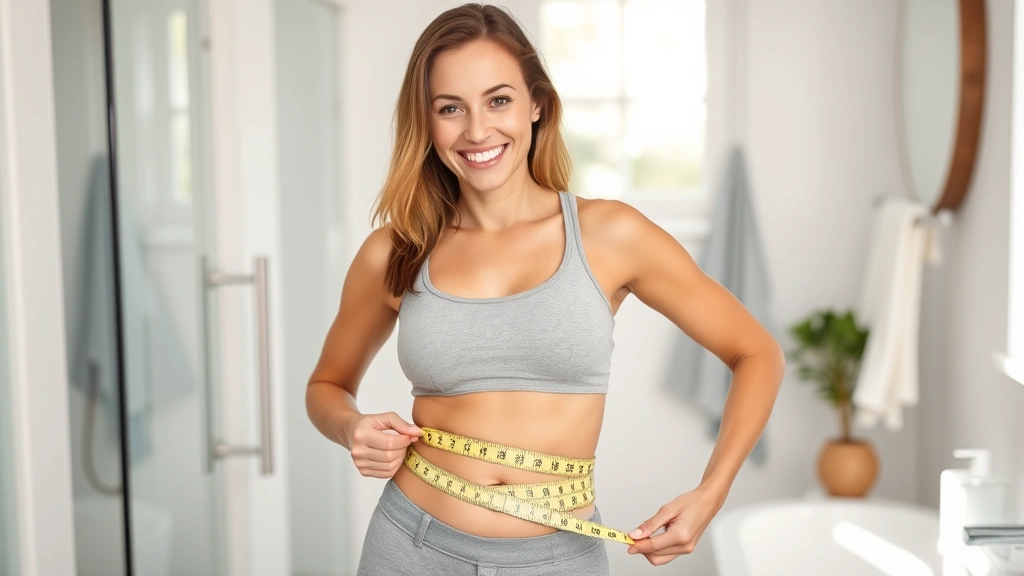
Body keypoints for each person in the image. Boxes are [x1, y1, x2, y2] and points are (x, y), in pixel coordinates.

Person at [305, 3, 785, 575]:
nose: (477, 130)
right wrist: (352, 427)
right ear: (426, 122)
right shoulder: (396, 249)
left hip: (558, 557)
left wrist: (711, 493)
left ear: (537, 104)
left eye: (498, 100)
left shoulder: (611, 234)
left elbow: (757, 352)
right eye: (450, 108)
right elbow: (326, 386)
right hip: (410, 545)